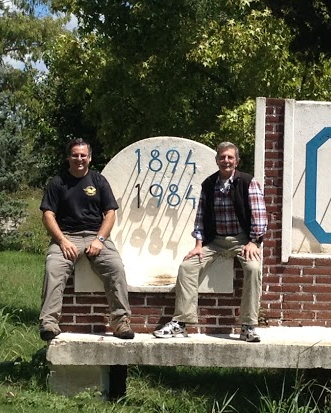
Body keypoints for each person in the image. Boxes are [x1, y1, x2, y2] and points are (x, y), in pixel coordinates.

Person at [154, 141, 267, 342]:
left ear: (237, 161)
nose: (226, 161)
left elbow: (260, 216)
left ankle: (248, 326)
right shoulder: (209, 184)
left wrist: (253, 241)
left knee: (253, 269)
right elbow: (201, 216)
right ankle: (181, 322)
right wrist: (198, 244)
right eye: (222, 157)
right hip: (214, 241)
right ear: (217, 160)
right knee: (187, 267)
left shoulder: (248, 182)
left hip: (242, 240)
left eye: (230, 157)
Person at [39, 137, 134, 341]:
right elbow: (48, 215)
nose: (79, 159)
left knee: (115, 267)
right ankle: (49, 323)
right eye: (75, 155)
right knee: (53, 268)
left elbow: (110, 213)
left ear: (89, 158)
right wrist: (62, 241)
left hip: (95, 236)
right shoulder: (58, 183)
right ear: (68, 157)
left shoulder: (98, 181)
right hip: (66, 237)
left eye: (83, 155)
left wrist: (100, 239)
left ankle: (120, 322)